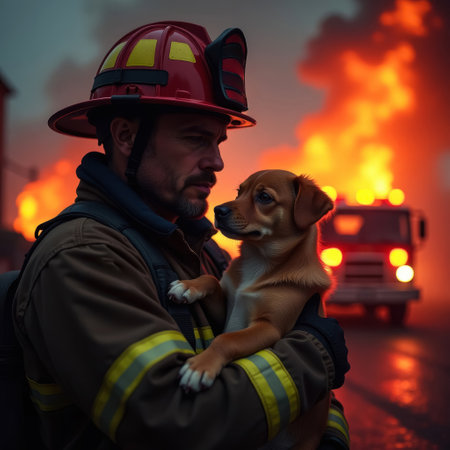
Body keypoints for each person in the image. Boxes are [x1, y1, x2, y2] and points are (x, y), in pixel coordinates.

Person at [13, 21, 350, 449]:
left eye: (219, 142)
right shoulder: (84, 256)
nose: (217, 162)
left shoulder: (201, 252)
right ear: (125, 136)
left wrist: (329, 440)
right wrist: (313, 354)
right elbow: (175, 421)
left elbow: (310, 403)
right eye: (196, 139)